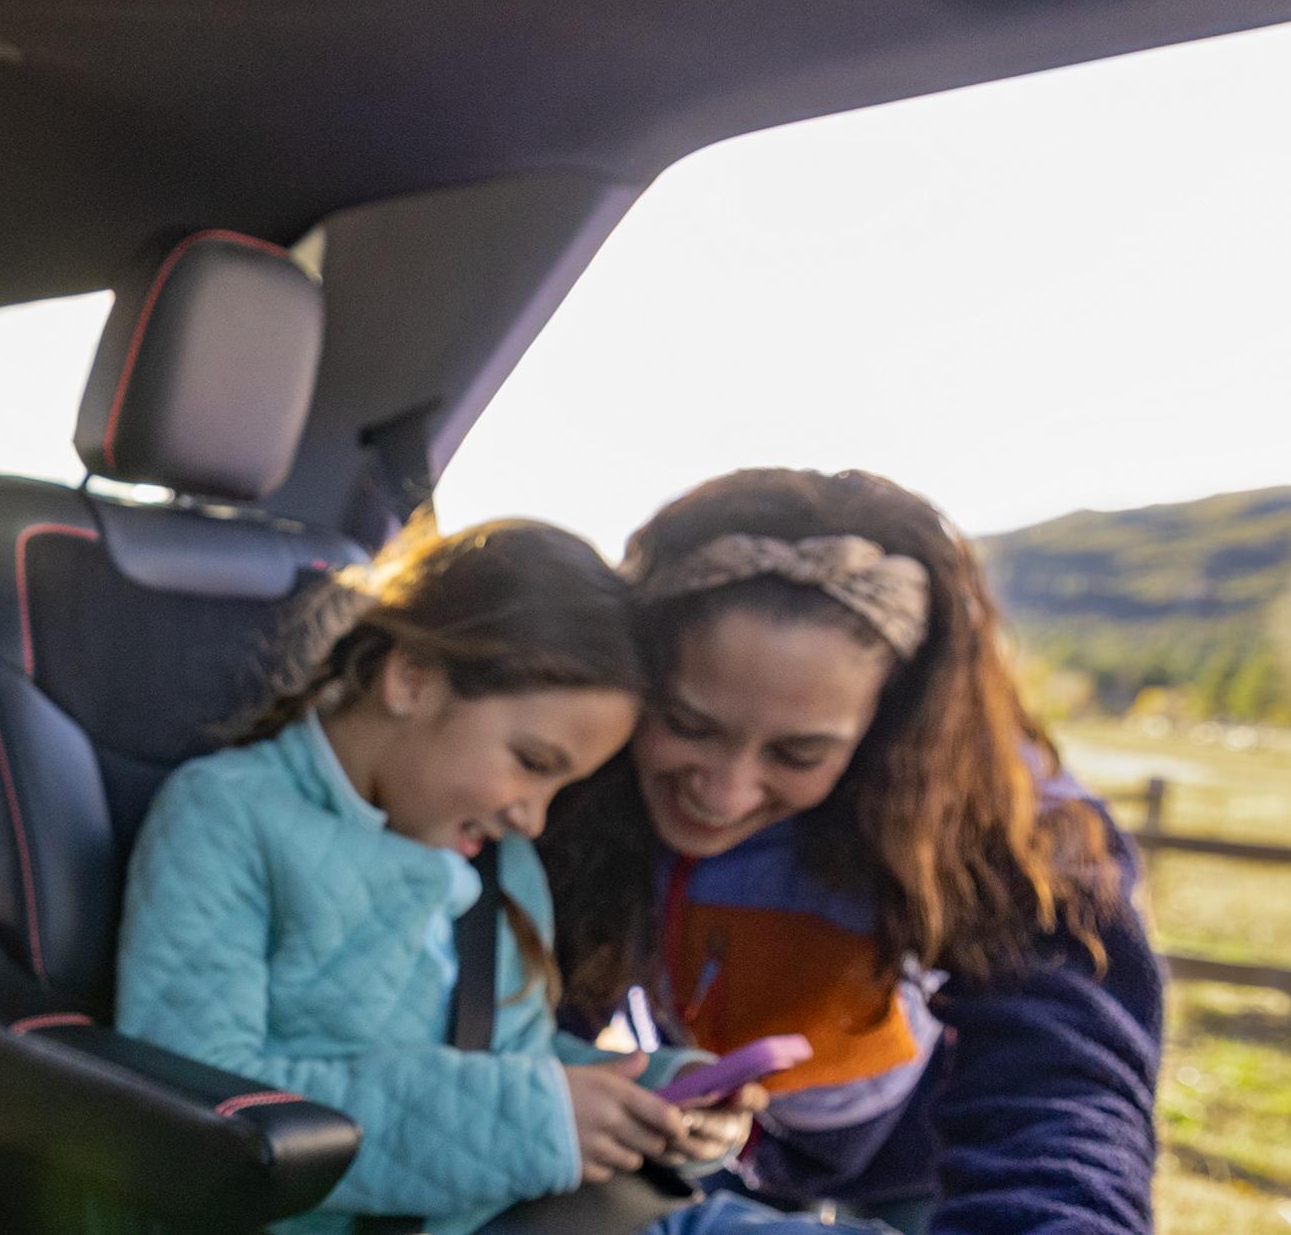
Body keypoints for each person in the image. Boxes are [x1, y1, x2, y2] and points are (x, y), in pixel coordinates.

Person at [113, 519, 872, 1235]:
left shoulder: (497, 858)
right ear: (411, 679)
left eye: (561, 789)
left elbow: (511, 1063)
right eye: (533, 765)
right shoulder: (228, 816)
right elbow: (208, 1108)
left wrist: (653, 1097)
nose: (536, 820)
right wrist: (538, 1120)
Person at [546, 469, 1162, 1235]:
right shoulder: (565, 779)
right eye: (688, 725)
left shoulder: (1004, 818)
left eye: (799, 755)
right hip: (714, 1150)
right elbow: (529, 1009)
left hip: (932, 1163)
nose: (726, 794)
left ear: (889, 723)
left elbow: (1060, 1079)